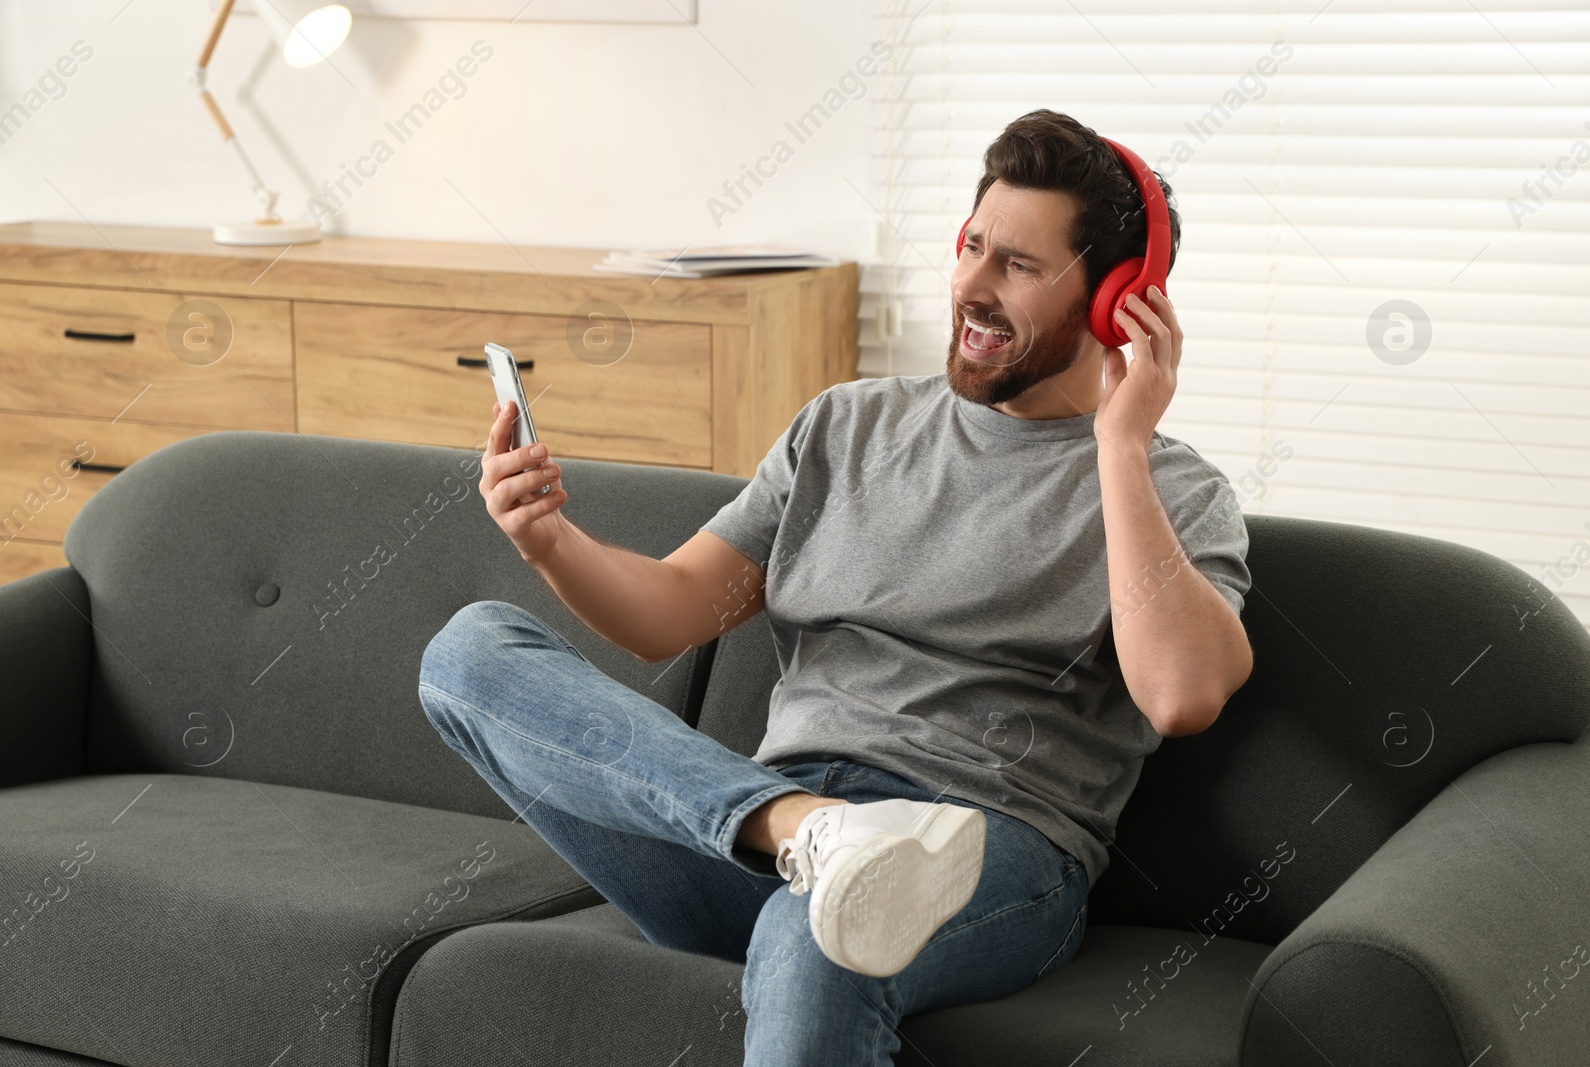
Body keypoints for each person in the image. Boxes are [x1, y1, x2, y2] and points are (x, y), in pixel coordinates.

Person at [416, 107, 1253, 1067]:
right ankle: (817, 834)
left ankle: (834, 851)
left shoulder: (1171, 489)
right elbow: (670, 612)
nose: (971, 287)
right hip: (769, 825)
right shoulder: (846, 427)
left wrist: (1119, 443)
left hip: (989, 848)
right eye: (972, 246)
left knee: (822, 930)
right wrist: (548, 538)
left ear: (1114, 302)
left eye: (1017, 267)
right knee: (469, 649)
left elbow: (1180, 694)